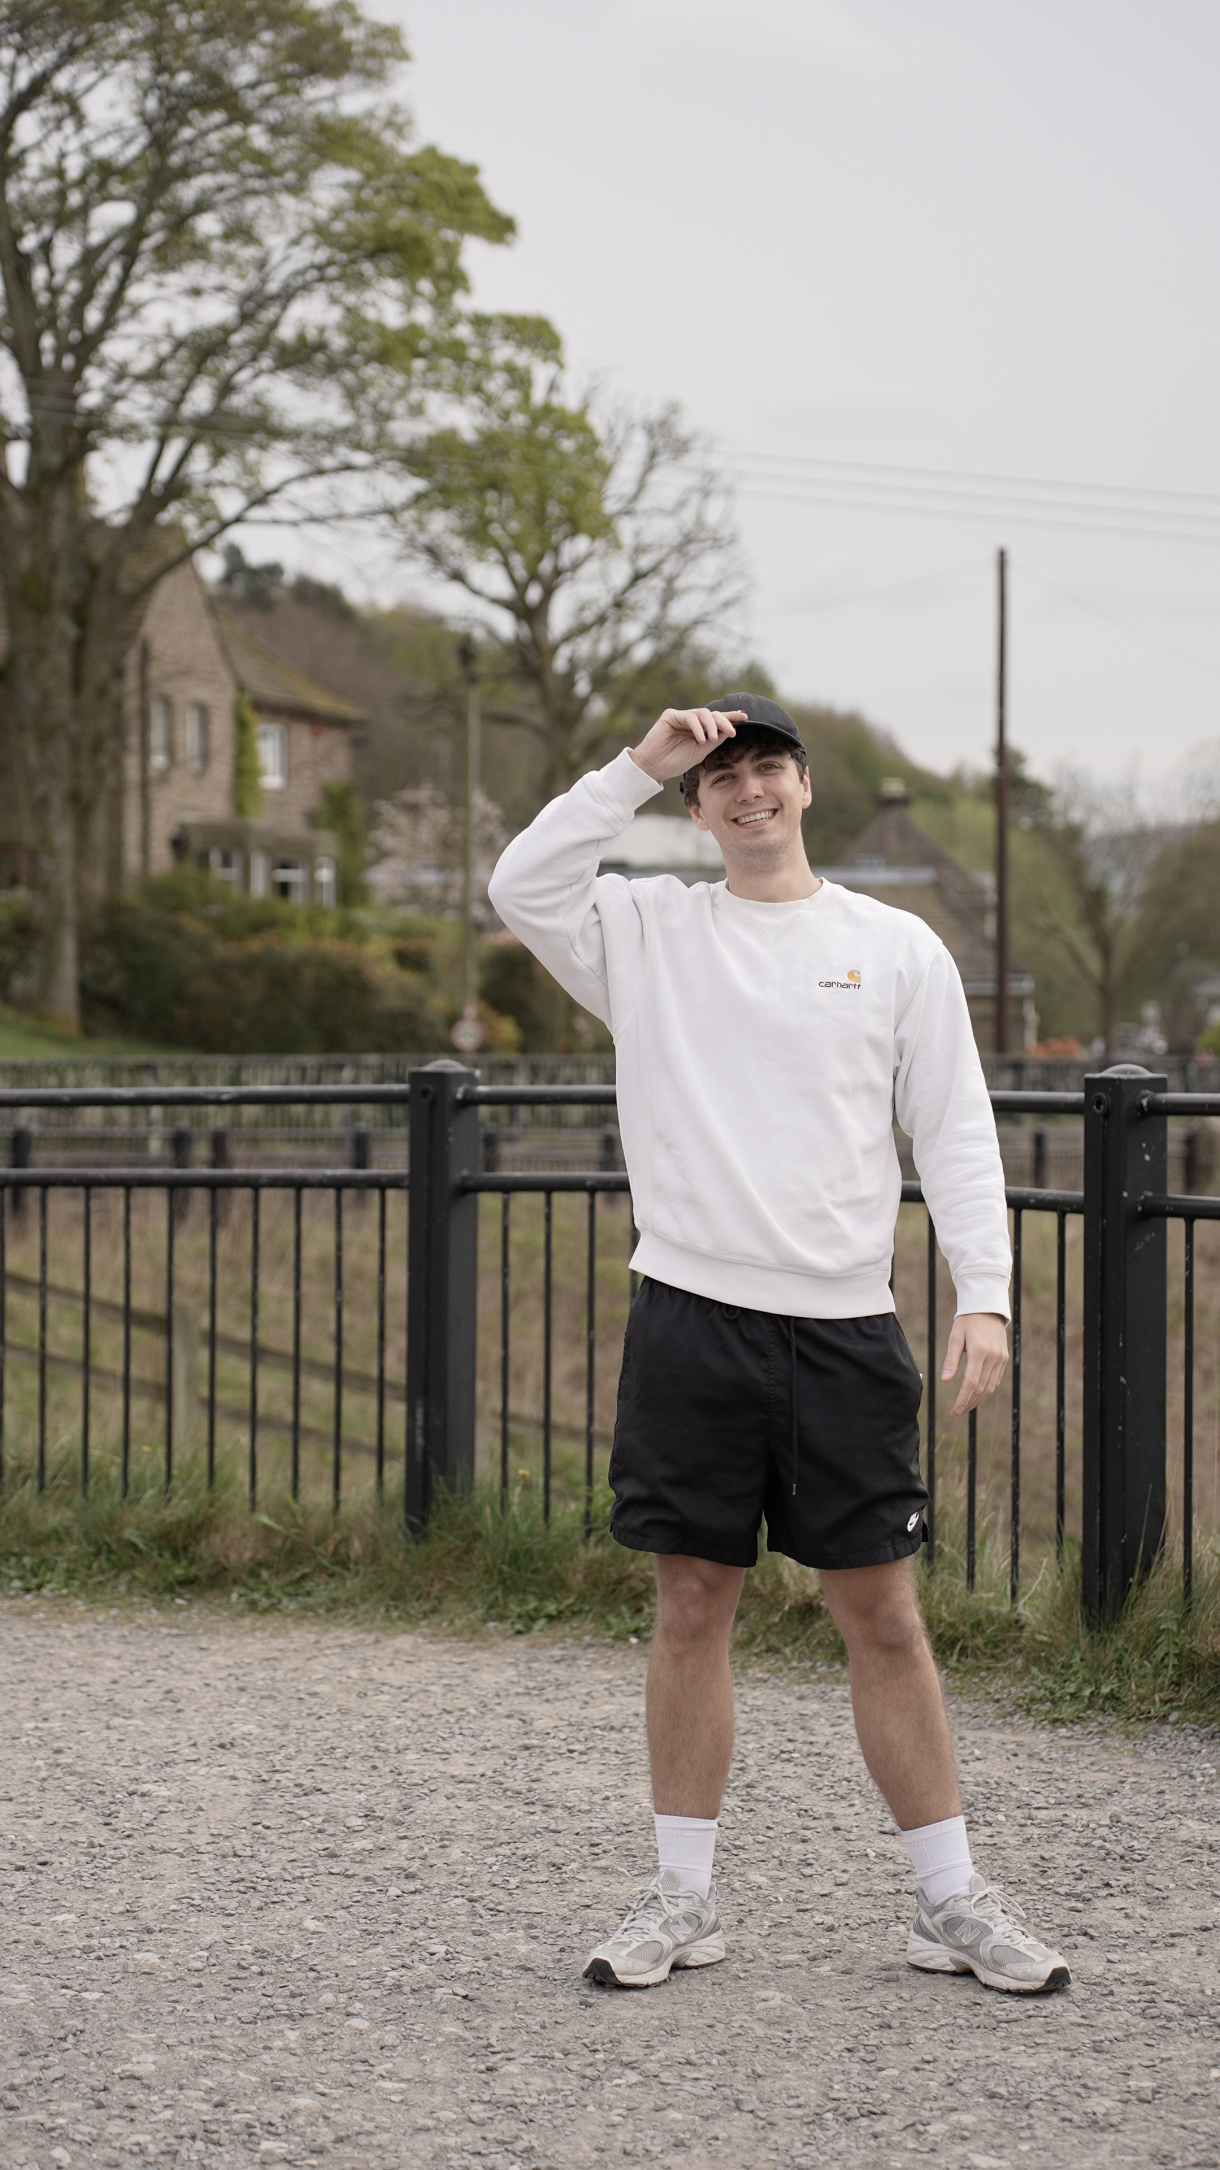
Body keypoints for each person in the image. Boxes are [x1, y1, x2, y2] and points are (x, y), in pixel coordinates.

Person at [487, 693, 1069, 1998]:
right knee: (692, 1600)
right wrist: (640, 758)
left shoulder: (895, 945)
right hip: (690, 1315)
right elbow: (520, 878)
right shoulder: (643, 927)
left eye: (768, 770)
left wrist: (987, 1289)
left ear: (806, 788)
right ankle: (681, 1897)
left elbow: (956, 1129)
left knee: (884, 1612)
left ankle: (948, 1899)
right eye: (720, 776)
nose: (748, 791)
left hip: (846, 1325)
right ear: (695, 806)